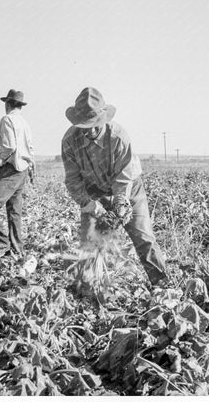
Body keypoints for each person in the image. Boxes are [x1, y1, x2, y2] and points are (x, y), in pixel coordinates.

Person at [61, 87, 167, 286]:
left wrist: (120, 204)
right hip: (93, 193)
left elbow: (123, 178)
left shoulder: (118, 136)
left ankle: (162, 285)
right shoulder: (69, 141)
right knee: (89, 242)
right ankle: (90, 292)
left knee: (143, 238)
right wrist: (87, 203)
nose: (90, 131)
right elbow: (73, 180)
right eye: (85, 126)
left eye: (95, 125)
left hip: (129, 189)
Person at [0, 89, 34, 258]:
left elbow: (9, 147)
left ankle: (0, 246)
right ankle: (17, 249)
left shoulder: (7, 119)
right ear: (20, 106)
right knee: (14, 211)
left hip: (12, 171)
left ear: (7, 104)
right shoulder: (24, 122)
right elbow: (28, 148)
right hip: (23, 169)